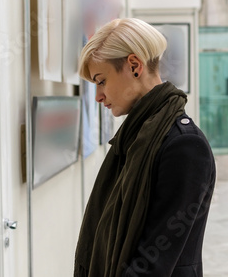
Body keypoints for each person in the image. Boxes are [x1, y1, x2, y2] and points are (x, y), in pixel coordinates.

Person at [74, 18, 216, 277]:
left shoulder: (184, 145)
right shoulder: (133, 139)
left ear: (134, 66)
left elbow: (154, 261)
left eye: (101, 80)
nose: (98, 96)